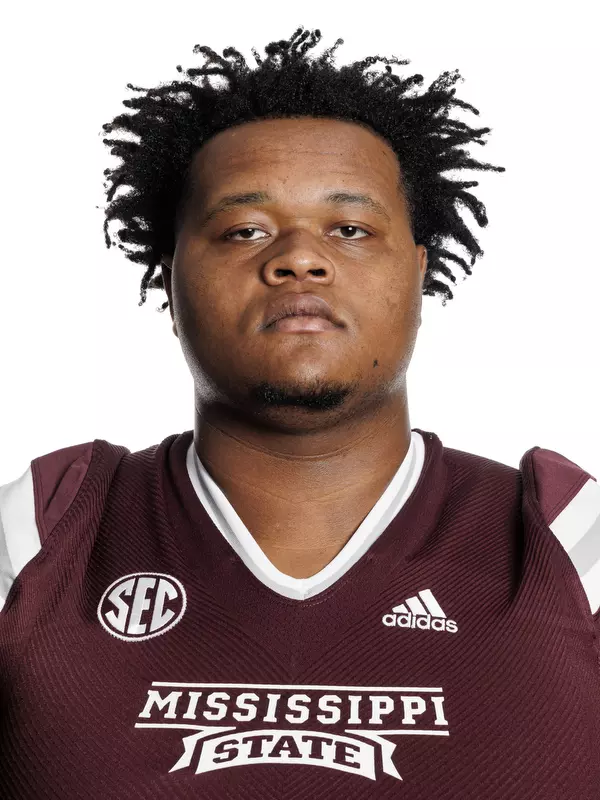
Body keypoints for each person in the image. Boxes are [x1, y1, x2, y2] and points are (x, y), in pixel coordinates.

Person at [0, 26, 598, 799]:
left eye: (349, 230)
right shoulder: (44, 534)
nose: (298, 258)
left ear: (419, 272)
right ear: (170, 279)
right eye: (243, 230)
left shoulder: (568, 541)